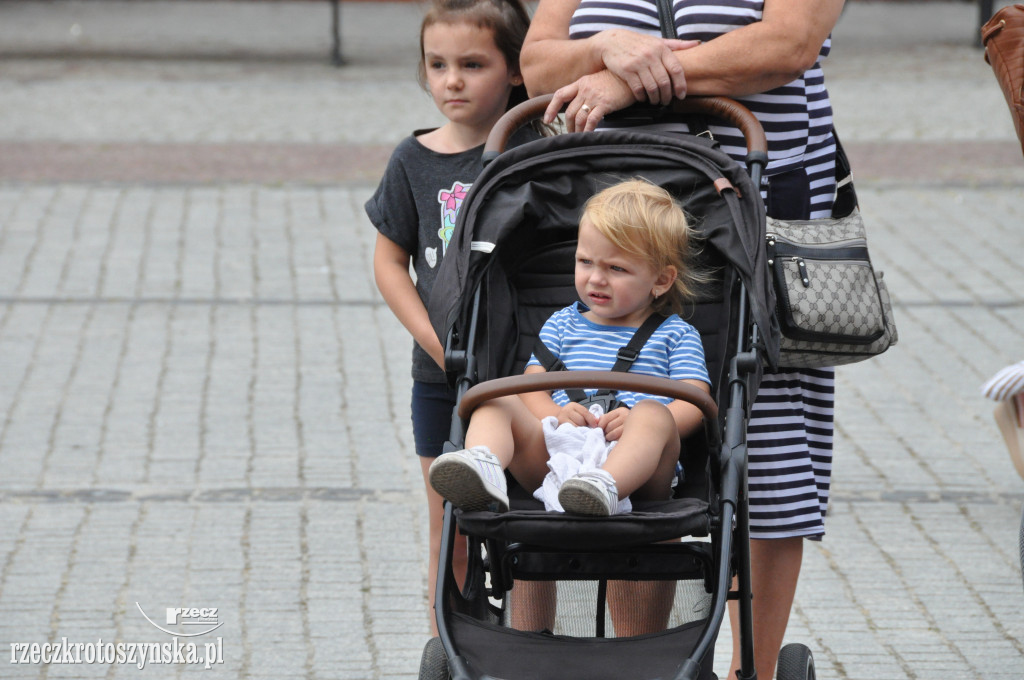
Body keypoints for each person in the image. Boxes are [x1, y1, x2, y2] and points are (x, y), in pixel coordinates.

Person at [518, 1, 846, 678]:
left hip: (756, 205)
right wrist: (608, 43)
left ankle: (746, 670)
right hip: (600, 207)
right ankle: (647, 665)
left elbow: (787, 42)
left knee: (766, 437)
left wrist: (627, 79)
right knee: (620, 409)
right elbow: (537, 63)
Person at [428, 178, 711, 634]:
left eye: (616, 269)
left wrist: (643, 419)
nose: (595, 278)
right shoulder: (562, 323)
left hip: (634, 467)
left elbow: (695, 403)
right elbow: (532, 386)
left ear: (661, 279)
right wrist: (553, 414)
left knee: (656, 414)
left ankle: (605, 485)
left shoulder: (676, 334)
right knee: (495, 399)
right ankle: (483, 464)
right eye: (585, 262)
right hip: (557, 456)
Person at [363, 0, 537, 635]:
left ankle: (528, 645)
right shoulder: (414, 160)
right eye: (437, 65)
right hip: (441, 377)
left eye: (472, 64)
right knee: (449, 528)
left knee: (531, 530)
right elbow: (389, 264)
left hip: (526, 378)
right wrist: (440, 347)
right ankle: (448, 649)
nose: (451, 81)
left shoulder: (536, 152)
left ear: (516, 70)